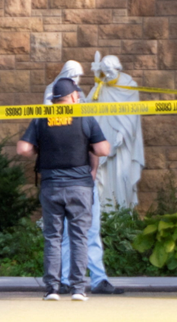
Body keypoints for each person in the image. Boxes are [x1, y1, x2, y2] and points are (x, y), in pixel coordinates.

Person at [17, 78, 110, 301]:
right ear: (74, 97)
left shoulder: (41, 118)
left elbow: (23, 149)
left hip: (51, 186)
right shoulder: (83, 117)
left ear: (55, 99)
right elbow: (103, 149)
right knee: (79, 237)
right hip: (79, 186)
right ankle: (78, 289)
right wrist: (87, 145)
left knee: (53, 237)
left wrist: (39, 151)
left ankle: (52, 289)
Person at [45, 61, 124, 295]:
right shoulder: (51, 106)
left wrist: (93, 171)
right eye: (74, 79)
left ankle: (98, 279)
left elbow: (95, 145)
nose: (78, 86)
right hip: (63, 181)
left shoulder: (84, 110)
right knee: (68, 234)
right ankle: (67, 280)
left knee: (91, 230)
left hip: (83, 181)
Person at [87, 52, 146, 209]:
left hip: (123, 139)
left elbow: (131, 115)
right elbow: (89, 107)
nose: (107, 75)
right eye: (105, 72)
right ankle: (105, 211)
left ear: (117, 69)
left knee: (122, 174)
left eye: (110, 72)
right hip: (105, 135)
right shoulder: (102, 84)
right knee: (103, 174)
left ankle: (122, 210)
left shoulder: (128, 85)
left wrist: (122, 132)